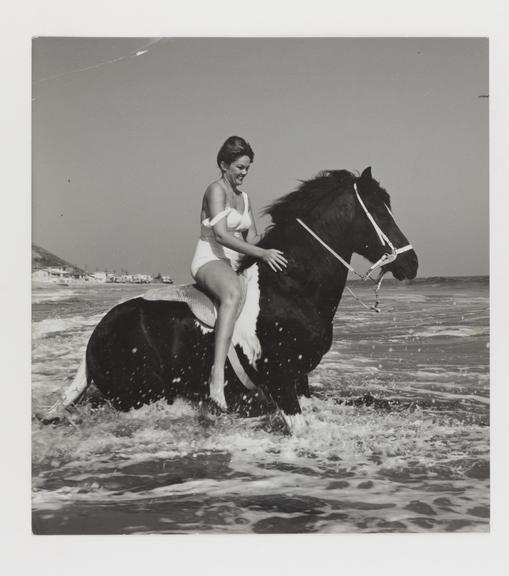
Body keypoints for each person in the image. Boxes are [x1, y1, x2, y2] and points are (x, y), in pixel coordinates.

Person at [190, 136, 287, 411]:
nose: (244, 173)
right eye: (240, 167)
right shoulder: (215, 191)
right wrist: (262, 254)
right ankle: (216, 376)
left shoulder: (244, 197)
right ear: (224, 164)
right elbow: (220, 236)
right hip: (210, 259)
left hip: (236, 263)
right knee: (232, 293)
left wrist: (279, 237)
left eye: (247, 168)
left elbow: (253, 237)